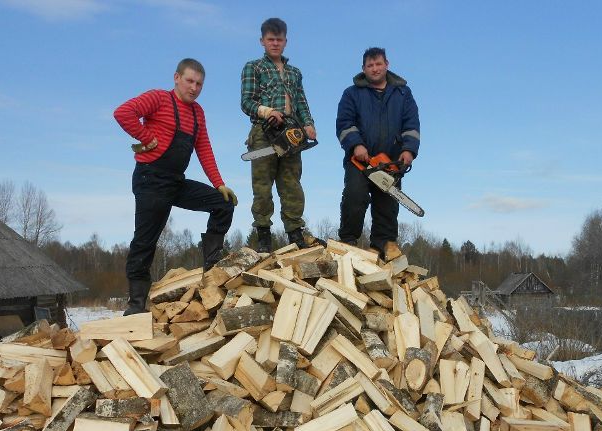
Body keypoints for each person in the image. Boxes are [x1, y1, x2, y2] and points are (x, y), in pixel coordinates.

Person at [114, 58, 238, 316]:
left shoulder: (198, 113)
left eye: (199, 84)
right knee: (145, 241)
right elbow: (123, 113)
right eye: (190, 81)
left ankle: (213, 270)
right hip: (151, 179)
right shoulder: (158, 99)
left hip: (175, 182)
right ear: (177, 78)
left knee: (222, 203)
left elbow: (203, 148)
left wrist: (219, 184)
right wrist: (147, 138)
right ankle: (136, 305)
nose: (194, 87)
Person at [241, 17, 320, 252]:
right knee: (262, 185)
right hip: (263, 133)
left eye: (279, 39)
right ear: (262, 41)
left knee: (291, 184)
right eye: (270, 39)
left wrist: (308, 124)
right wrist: (266, 112)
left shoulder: (295, 73)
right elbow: (246, 102)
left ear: (286, 41)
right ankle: (264, 235)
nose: (275, 43)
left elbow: (302, 103)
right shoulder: (253, 67)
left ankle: (295, 233)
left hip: (291, 133)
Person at [335, 47, 420, 261]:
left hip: (391, 160)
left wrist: (408, 150)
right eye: (370, 65)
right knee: (355, 196)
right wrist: (356, 145)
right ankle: (348, 241)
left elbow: (411, 124)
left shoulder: (403, 93)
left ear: (386, 64)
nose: (375, 69)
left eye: (378, 64)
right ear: (363, 68)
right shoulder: (352, 93)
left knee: (387, 204)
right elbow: (345, 123)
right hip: (360, 162)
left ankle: (383, 247)